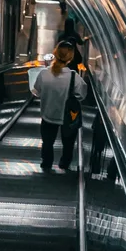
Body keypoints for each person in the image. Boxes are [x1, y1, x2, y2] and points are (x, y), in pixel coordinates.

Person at [34, 34, 82, 171]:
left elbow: (37, 91)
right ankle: (64, 163)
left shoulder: (44, 74)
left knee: (47, 141)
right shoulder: (74, 77)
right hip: (68, 117)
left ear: (55, 54)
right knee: (68, 143)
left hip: (48, 114)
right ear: (70, 58)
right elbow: (81, 95)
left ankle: (47, 162)